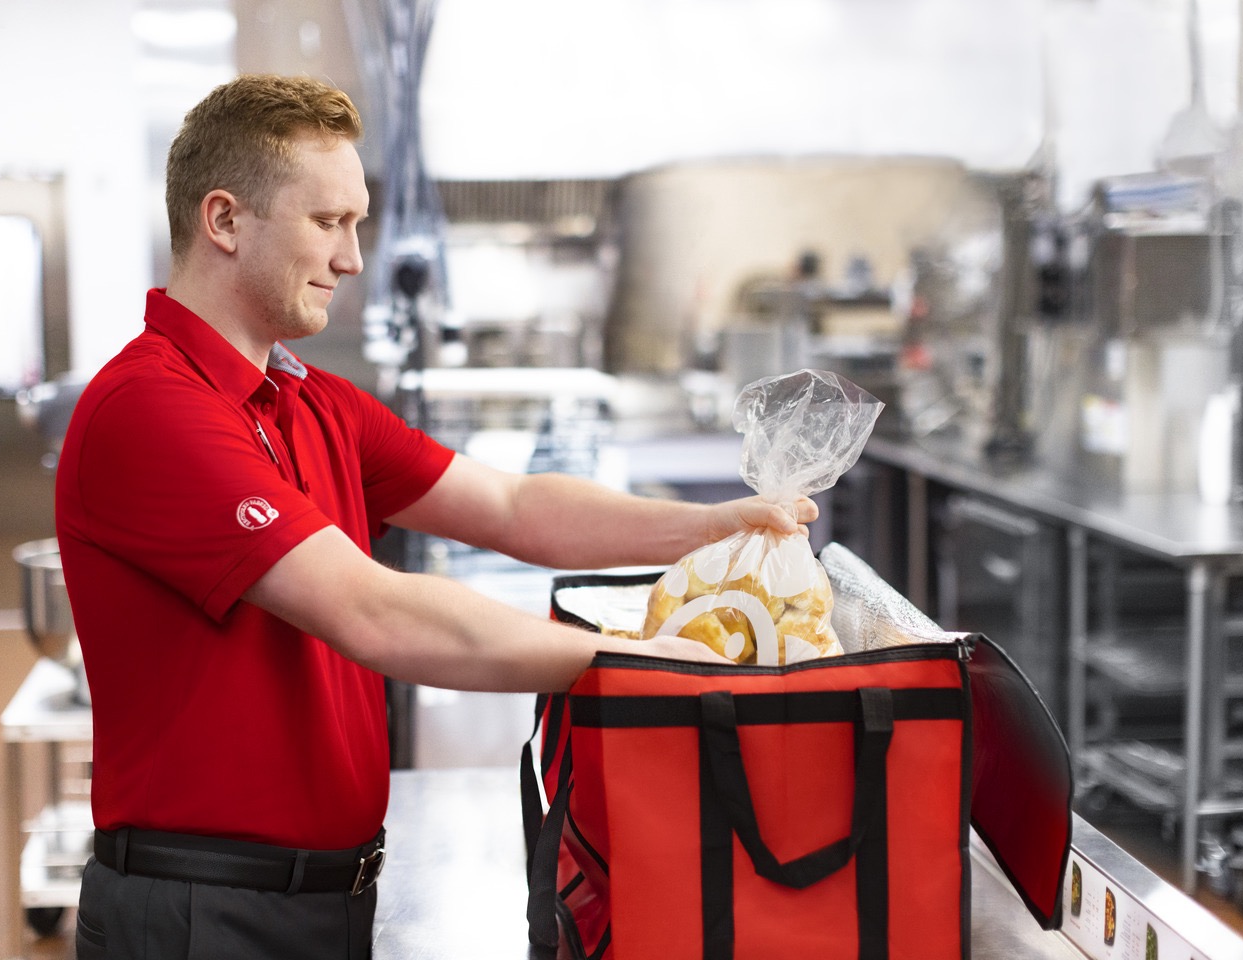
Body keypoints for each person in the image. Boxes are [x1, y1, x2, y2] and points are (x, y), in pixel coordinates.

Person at [56, 73, 815, 960]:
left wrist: (720, 525)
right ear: (224, 221)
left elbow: (512, 506)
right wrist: (638, 660)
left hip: (314, 897)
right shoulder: (152, 409)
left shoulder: (312, 403)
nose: (351, 260)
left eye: (356, 224)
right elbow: (371, 611)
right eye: (327, 223)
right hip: (202, 912)